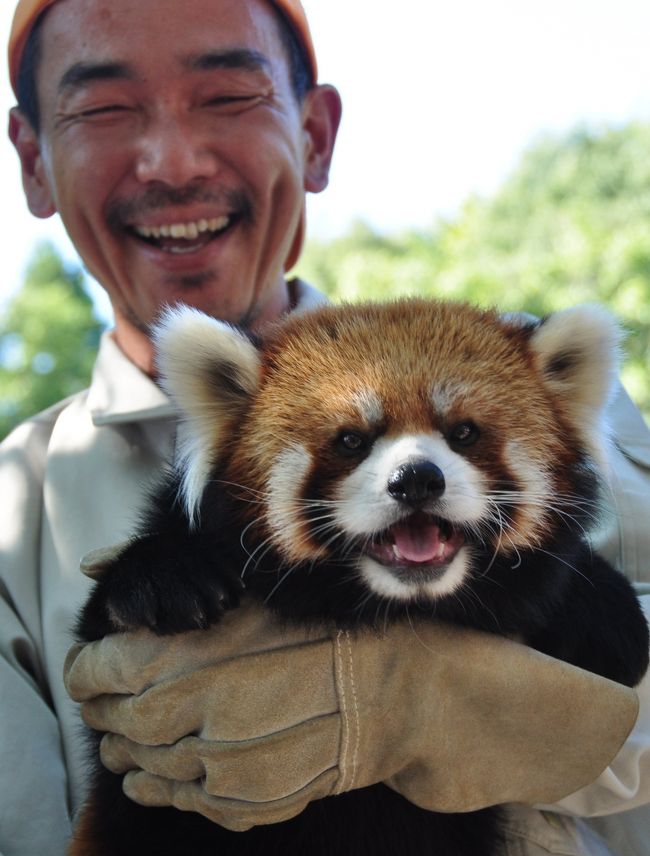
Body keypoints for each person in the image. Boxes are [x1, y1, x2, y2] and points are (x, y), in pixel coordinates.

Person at [2, 0, 650, 853]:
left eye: (227, 96)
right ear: (33, 163)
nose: (173, 161)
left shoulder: (537, 395)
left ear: (315, 135)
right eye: (104, 109)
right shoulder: (15, 511)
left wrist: (436, 700)